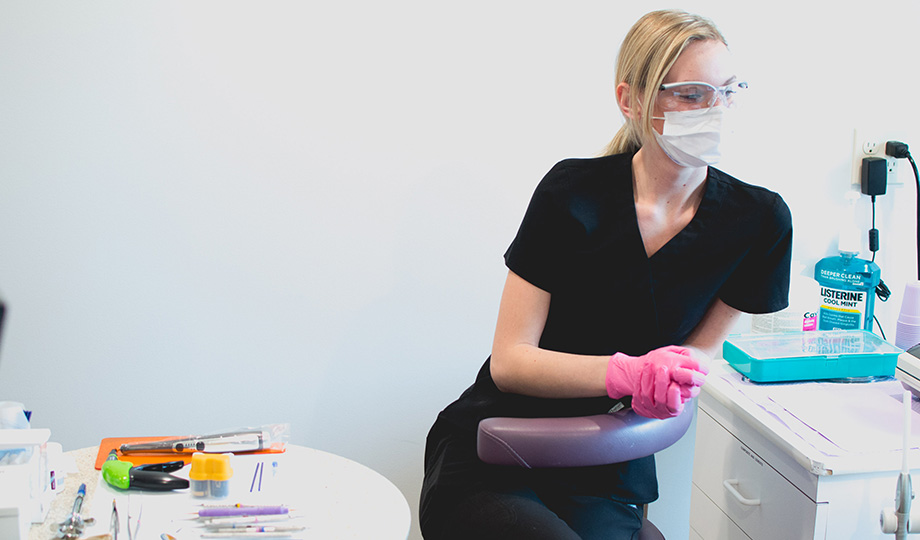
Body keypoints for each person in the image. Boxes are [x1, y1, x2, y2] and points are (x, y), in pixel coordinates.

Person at [420, 9, 792, 540]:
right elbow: (510, 361)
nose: (716, 109)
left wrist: (679, 373)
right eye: (691, 95)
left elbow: (700, 353)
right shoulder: (571, 194)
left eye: (729, 91)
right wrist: (627, 374)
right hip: (499, 451)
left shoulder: (760, 221)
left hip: (608, 460)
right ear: (632, 100)